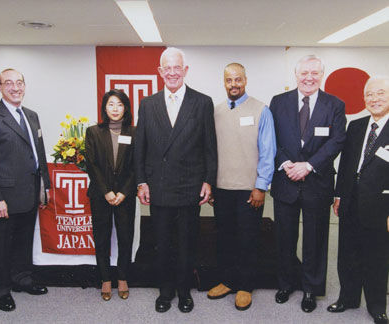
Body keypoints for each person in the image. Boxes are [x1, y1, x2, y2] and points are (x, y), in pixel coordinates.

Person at [135, 47, 217, 313]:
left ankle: (184, 291)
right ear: (160, 72)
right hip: (157, 186)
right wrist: (141, 181)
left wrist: (208, 180)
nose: (172, 73)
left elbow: (209, 147)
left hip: (189, 186)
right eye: (166, 68)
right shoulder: (148, 104)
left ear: (185, 71)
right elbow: (140, 148)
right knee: (162, 243)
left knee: (186, 243)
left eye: (176, 68)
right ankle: (165, 291)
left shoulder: (202, 102)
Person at [269, 55, 346, 312]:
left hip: (317, 182)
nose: (309, 78)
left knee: (315, 239)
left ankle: (311, 289)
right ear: (296, 74)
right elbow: (272, 139)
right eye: (304, 73)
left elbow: (337, 141)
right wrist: (285, 163)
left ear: (322, 75)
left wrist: (309, 166)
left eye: (314, 73)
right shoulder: (278, 102)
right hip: (286, 180)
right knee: (284, 238)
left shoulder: (334, 105)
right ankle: (286, 283)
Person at [0, 68, 50, 312]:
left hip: (29, 194)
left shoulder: (31, 115)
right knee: (1, 246)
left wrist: (45, 187)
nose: (15, 87)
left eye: (19, 83)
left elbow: (39, 154)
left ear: (25, 86)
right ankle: (1, 290)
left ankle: (22, 279)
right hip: (4, 197)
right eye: (9, 83)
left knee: (23, 241)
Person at [207, 63, 276, 310]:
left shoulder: (261, 110)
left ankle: (246, 286)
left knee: (248, 239)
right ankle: (227, 281)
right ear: (223, 82)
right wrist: (212, 185)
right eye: (229, 80)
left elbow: (269, 152)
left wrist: (261, 186)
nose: (233, 84)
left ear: (245, 80)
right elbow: (211, 152)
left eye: (238, 79)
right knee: (225, 238)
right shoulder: (215, 112)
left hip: (250, 190)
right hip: (222, 188)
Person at [327, 76, 389, 324]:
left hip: (380, 208)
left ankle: (377, 306)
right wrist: (339, 195)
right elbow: (346, 166)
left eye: (381, 94)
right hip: (350, 204)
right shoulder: (356, 126)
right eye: (370, 95)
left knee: (376, 257)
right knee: (347, 255)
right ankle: (348, 298)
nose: (374, 99)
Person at [85, 89, 136, 301]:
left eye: (119, 104)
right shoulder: (93, 131)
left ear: (126, 107)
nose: (115, 109)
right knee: (102, 237)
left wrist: (123, 191)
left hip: (125, 195)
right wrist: (106, 191)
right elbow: (92, 164)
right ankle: (105, 279)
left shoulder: (134, 132)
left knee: (125, 237)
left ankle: (123, 278)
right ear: (104, 108)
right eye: (111, 104)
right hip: (100, 195)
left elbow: (136, 166)